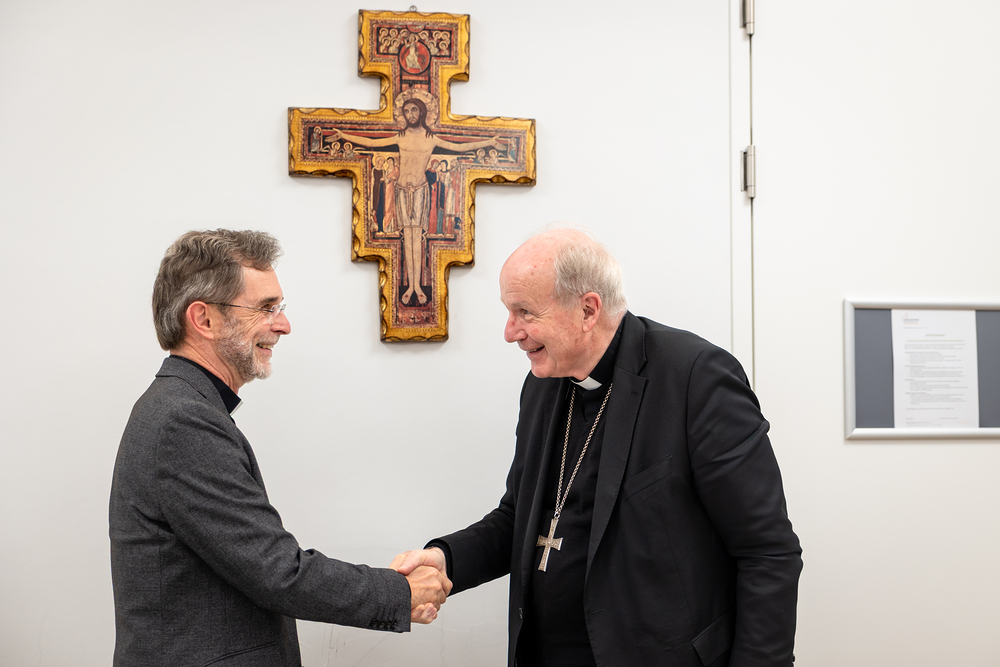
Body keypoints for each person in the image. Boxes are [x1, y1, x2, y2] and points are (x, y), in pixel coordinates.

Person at [392, 228, 802, 666]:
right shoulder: (543, 384)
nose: (511, 332)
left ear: (588, 310)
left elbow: (766, 551)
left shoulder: (695, 377)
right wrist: (446, 559)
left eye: (524, 312)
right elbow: (520, 518)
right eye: (509, 312)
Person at [109, 229, 451, 667]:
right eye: (266, 308)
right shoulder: (184, 420)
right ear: (204, 319)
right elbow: (277, 571)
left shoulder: (183, 406)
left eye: (280, 308)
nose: (283, 325)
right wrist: (399, 592)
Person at [330, 92, 501, 306]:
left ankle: (417, 286)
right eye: (406, 111)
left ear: (422, 112)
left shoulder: (431, 138)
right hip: (401, 190)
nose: (410, 114)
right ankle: (410, 286)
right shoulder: (400, 137)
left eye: (414, 110)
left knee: (416, 239)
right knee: (407, 239)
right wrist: (345, 136)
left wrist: (488, 142)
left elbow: (459, 147)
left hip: (420, 191)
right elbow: (372, 142)